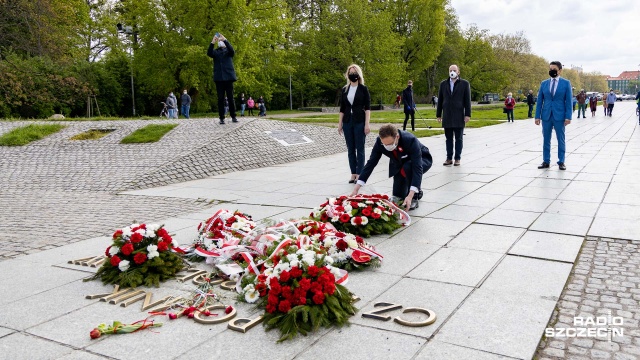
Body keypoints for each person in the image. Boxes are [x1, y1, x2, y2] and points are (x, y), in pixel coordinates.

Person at [350, 124, 433, 211]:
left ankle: (414, 196)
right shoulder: (379, 142)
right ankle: (414, 191)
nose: (387, 147)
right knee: (398, 196)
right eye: (384, 144)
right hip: (399, 162)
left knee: (408, 167)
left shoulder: (410, 140)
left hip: (422, 160)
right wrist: (356, 189)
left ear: (397, 136)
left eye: (390, 144)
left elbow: (417, 167)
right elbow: (371, 163)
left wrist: (410, 195)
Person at [534, 60, 572, 171]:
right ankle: (546, 161)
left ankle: (561, 161)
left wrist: (568, 116)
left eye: (554, 69)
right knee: (546, 139)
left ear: (560, 71)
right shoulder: (544, 83)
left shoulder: (566, 83)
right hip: (546, 116)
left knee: (561, 139)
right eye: (550, 69)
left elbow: (568, 101)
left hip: (560, 116)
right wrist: (537, 116)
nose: (552, 71)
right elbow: (540, 101)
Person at [338, 64, 371, 184]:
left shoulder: (363, 89)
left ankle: (359, 174)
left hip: (359, 121)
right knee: (350, 149)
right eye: (350, 72)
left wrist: (367, 124)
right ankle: (353, 173)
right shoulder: (344, 90)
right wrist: (340, 123)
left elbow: (367, 108)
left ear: (358, 74)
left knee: (360, 148)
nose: (353, 74)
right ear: (348, 74)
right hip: (347, 121)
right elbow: (342, 108)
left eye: (355, 72)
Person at [437, 64, 471, 166]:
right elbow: (440, 100)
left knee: (459, 138)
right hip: (447, 115)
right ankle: (449, 158)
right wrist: (438, 114)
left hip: (459, 115)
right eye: (450, 70)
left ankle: (457, 158)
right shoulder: (443, 84)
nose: (452, 72)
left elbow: (467, 100)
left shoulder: (464, 84)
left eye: (454, 70)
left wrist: (467, 114)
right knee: (448, 138)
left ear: (458, 72)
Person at [207, 33, 237, 124]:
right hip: (219, 79)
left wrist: (225, 40)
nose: (220, 42)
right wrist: (213, 42)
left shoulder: (228, 51)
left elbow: (232, 51)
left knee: (231, 98)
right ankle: (221, 117)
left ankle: (233, 116)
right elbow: (209, 53)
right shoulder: (216, 52)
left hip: (228, 78)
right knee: (220, 99)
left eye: (221, 41)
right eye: (219, 41)